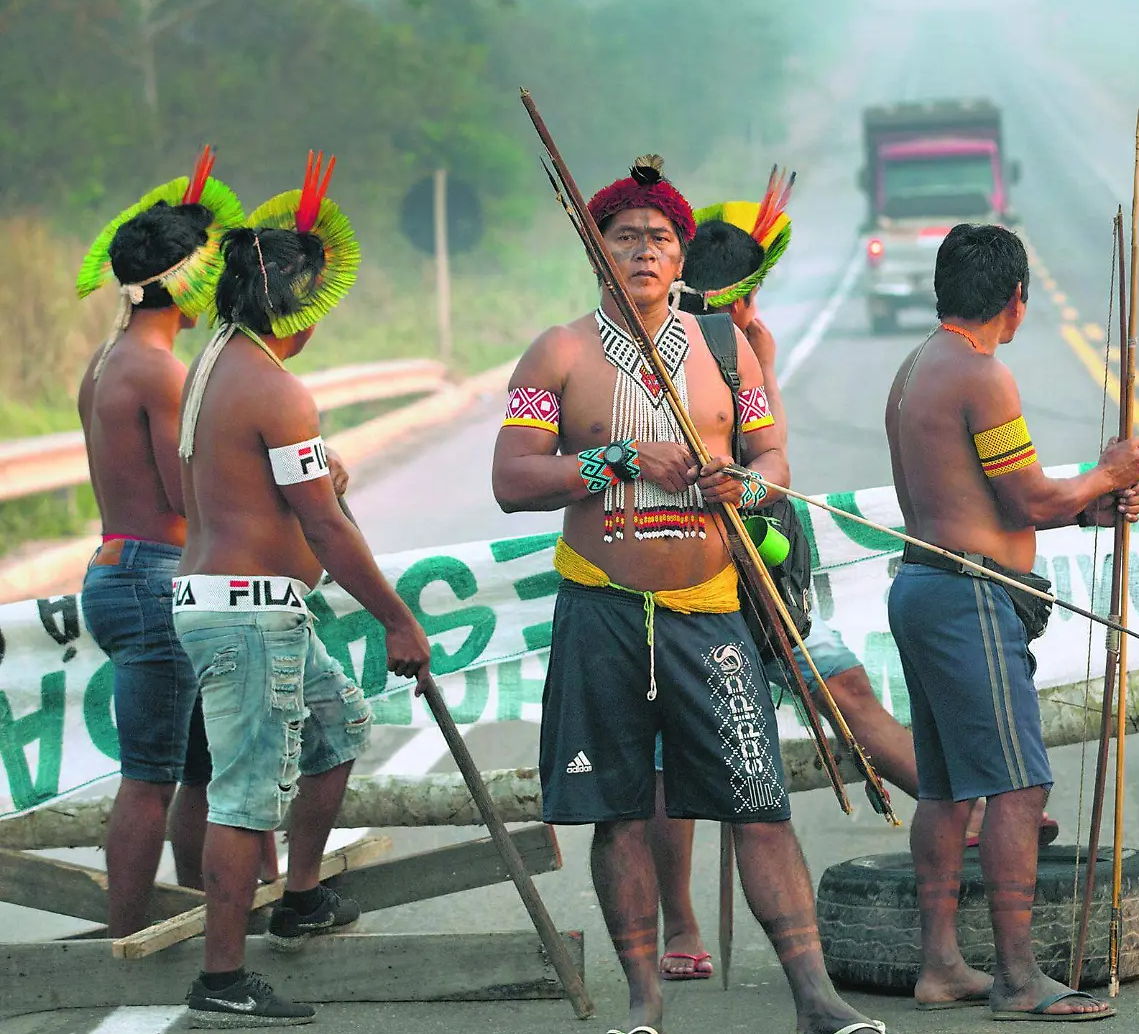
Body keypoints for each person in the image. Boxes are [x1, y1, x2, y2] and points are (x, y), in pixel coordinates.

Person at [490, 155, 881, 1034]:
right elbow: (513, 479)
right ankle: (644, 1002)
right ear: (597, 250)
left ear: (680, 257)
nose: (642, 251)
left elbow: (776, 459)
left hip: (711, 613)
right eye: (623, 237)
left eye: (659, 238)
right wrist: (617, 460)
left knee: (759, 801)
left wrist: (747, 485)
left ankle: (816, 999)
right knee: (619, 811)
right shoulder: (557, 352)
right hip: (602, 610)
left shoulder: (722, 347)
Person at [173, 156, 433, 1026]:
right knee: (246, 796)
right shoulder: (277, 391)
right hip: (246, 616)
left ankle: (302, 894)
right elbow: (326, 529)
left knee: (339, 727)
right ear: (300, 308)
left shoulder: (213, 363)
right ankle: (221, 979)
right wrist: (397, 618)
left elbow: (263, 487)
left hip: (250, 607)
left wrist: (316, 475)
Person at [883, 222, 1139, 1021]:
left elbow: (992, 502)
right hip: (965, 599)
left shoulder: (918, 365)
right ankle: (1021, 978)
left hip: (927, 586)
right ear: (1018, 300)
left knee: (947, 789)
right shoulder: (980, 373)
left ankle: (941, 966)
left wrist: (1092, 508)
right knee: (1018, 786)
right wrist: (1109, 471)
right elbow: (1029, 497)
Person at [74, 155, 283, 936]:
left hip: (119, 565)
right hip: (154, 576)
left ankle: (205, 916)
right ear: (186, 281)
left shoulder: (107, 359)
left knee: (198, 766)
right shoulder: (160, 371)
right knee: (152, 777)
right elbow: (180, 492)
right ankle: (126, 939)